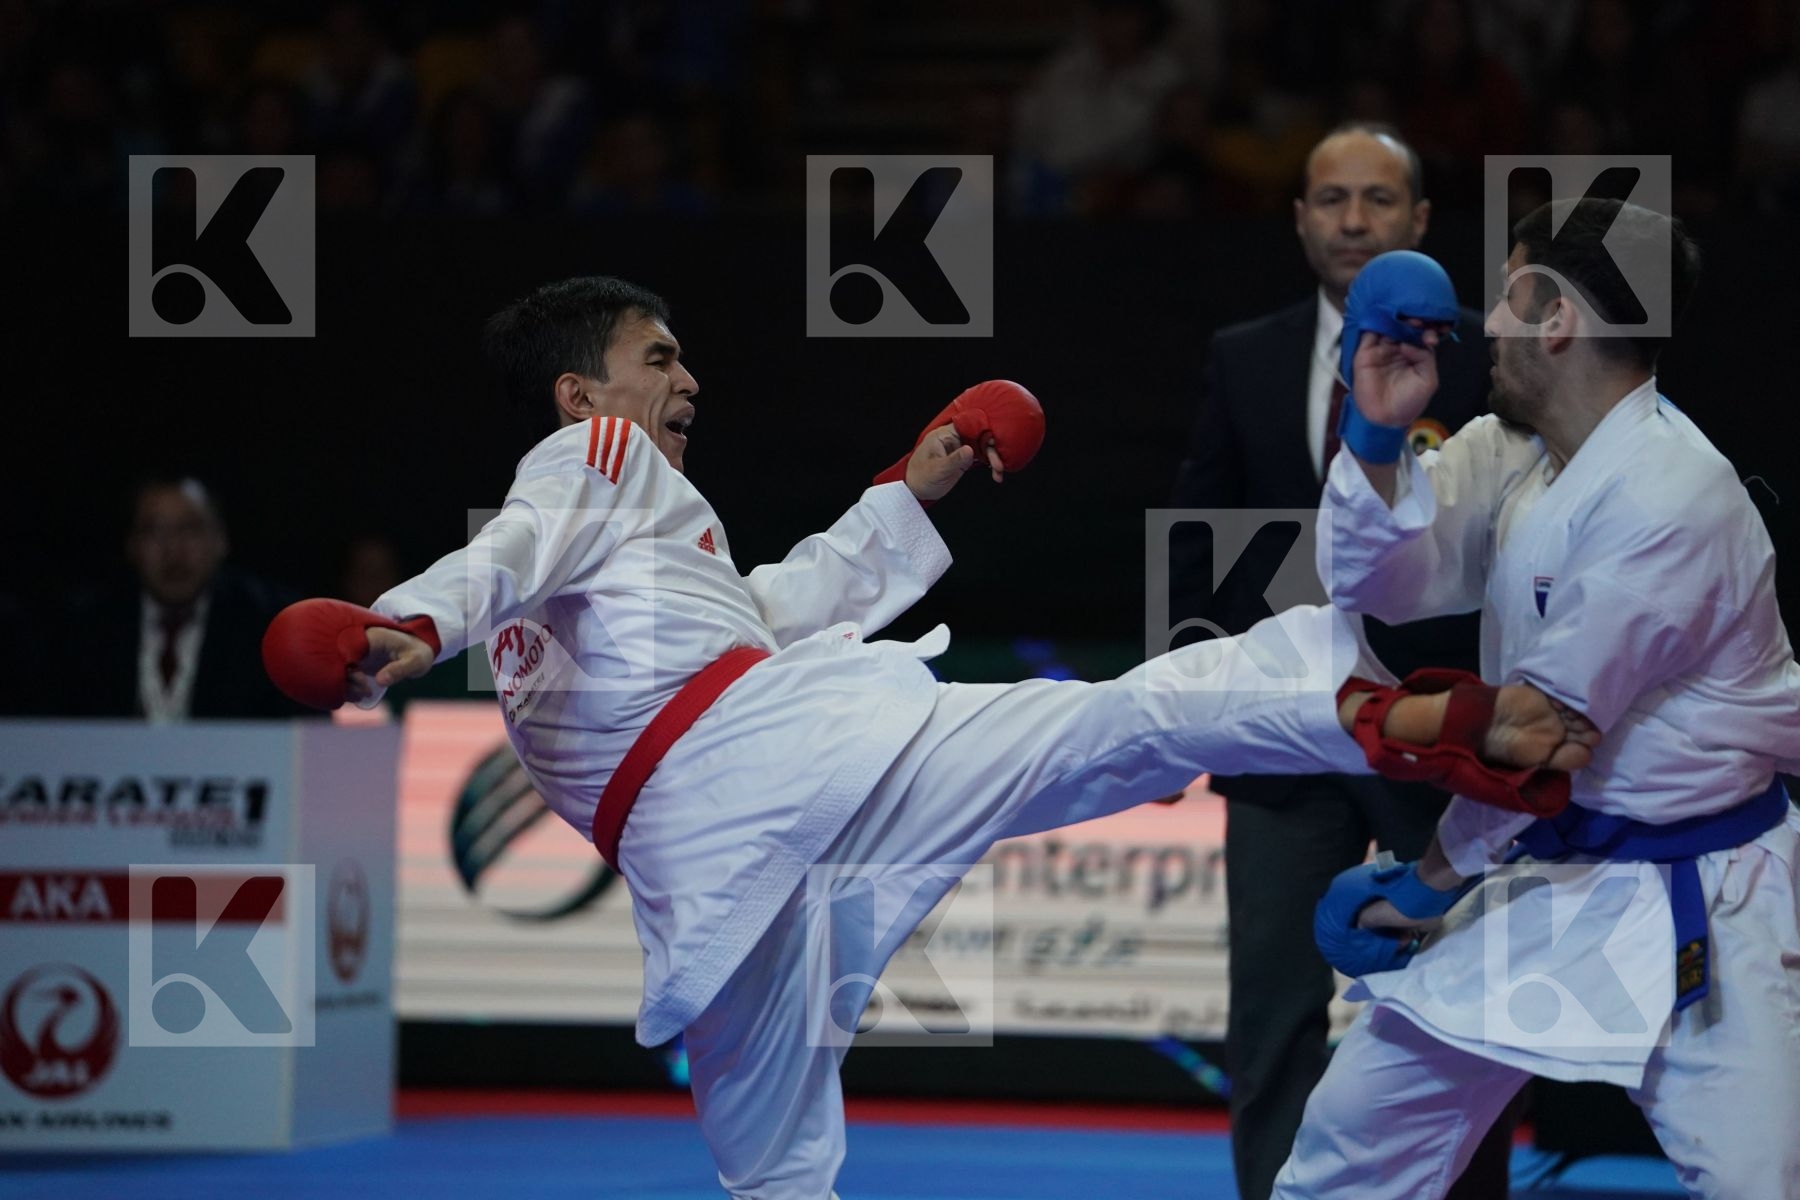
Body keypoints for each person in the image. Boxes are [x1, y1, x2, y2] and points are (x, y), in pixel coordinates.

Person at [302, 276, 1594, 1200]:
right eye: (659, 357)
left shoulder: (628, 556)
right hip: (782, 775)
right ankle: (1360, 704)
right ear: (583, 390)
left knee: (774, 1165)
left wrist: (916, 483)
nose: (688, 379)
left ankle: (1361, 709)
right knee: (1112, 724)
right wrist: (405, 624)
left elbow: (774, 609)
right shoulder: (587, 459)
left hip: (710, 875)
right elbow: (502, 554)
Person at [1281, 201, 1800, 1198]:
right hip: (1554, 878)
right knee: (1355, 1140)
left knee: (1757, 1183)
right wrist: (1374, 432)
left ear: (1554, 317)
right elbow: (1379, 582)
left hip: (1700, 903)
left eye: (1511, 296)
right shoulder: (1518, 451)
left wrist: (1423, 884)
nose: (1490, 326)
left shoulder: (1669, 493)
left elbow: (1535, 736)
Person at [1168, 121, 1510, 1200]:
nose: (1353, 220)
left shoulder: (1480, 351)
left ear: (1418, 219)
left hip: (1439, 724)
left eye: (1377, 200)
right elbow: (1195, 531)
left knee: (1463, 997)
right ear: (1301, 218)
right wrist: (1189, 696)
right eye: (1331, 200)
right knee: (1270, 1007)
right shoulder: (1247, 353)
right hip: (1282, 728)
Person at [60, 476, 314, 721]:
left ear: (221, 540)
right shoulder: (85, 626)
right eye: (155, 531)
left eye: (191, 529)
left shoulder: (270, 624)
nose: (173, 549)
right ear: (132, 545)